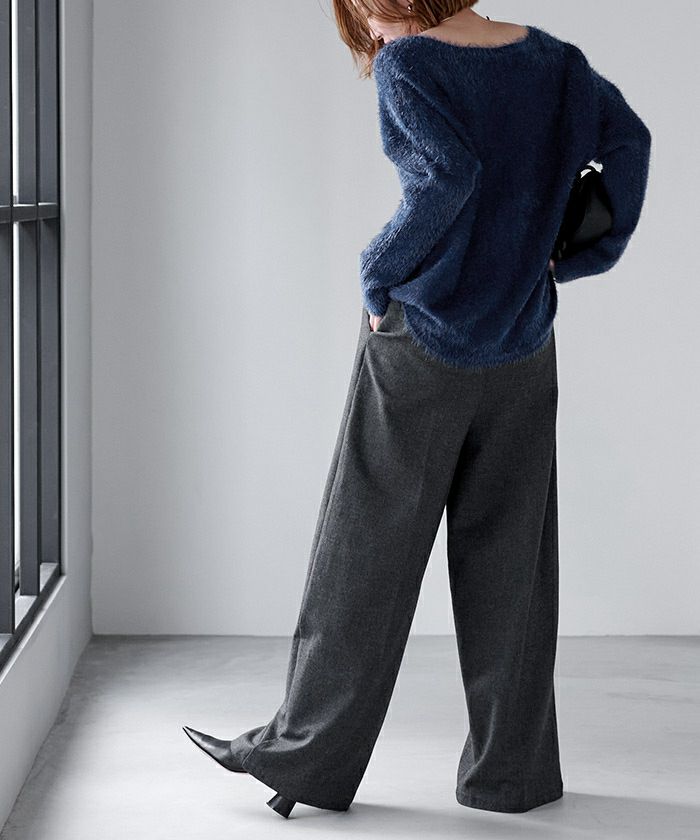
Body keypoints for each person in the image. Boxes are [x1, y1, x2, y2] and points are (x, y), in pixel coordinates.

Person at [183, 0, 652, 819]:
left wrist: (376, 273)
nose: (367, 28)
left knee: (362, 553)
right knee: (513, 567)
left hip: (424, 342)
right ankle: (512, 776)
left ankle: (303, 758)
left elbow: (448, 175)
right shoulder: (556, 63)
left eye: (365, 8)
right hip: (523, 343)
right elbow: (630, 142)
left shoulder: (413, 64)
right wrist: (574, 256)